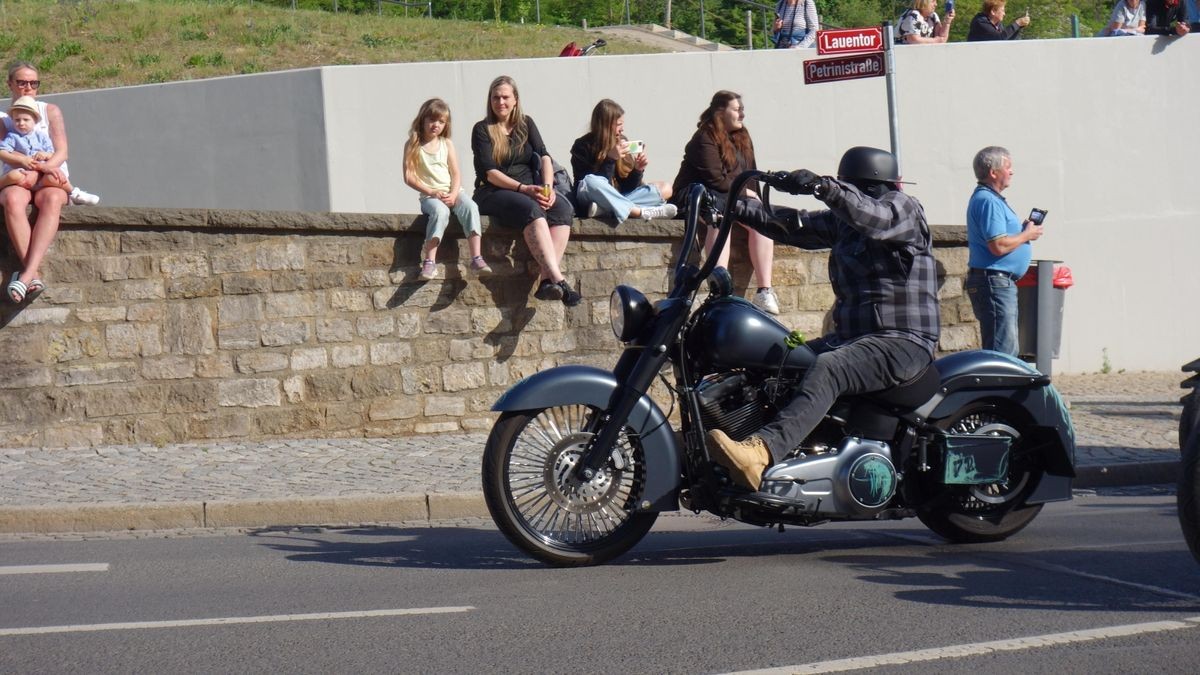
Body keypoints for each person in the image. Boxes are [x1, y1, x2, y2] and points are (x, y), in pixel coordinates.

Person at [705, 147, 941, 490]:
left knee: (830, 367)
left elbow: (874, 217)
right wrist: (726, 203)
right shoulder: (845, 222)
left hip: (902, 341)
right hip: (854, 338)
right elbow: (791, 225)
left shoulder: (903, 208)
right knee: (780, 361)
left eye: (850, 187)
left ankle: (761, 452)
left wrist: (824, 187)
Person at [471, 75, 580, 307]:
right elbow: (490, 173)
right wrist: (524, 189)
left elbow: (544, 156)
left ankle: (546, 280)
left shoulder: (526, 124)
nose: (500, 102)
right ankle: (559, 279)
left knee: (562, 208)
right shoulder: (482, 129)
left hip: (529, 188)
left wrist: (548, 188)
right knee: (532, 209)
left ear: (516, 100)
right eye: (495, 97)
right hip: (493, 191)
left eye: (505, 97)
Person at [670, 91, 779, 315]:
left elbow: (751, 175)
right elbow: (714, 179)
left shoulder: (742, 137)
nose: (742, 114)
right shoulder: (703, 138)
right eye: (737, 109)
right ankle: (719, 287)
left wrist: (754, 197)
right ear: (721, 112)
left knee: (761, 220)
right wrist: (745, 192)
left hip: (730, 196)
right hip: (698, 194)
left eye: (742, 109)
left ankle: (764, 291)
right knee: (719, 218)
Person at [964, 146, 1043, 356]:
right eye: (1008, 167)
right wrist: (1027, 235)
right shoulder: (988, 201)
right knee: (1002, 351)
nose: (1012, 171)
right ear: (993, 172)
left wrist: (1022, 231)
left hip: (997, 282)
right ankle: (997, 389)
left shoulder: (990, 199)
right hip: (994, 282)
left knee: (1004, 348)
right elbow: (997, 246)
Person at [403, 98, 491, 282]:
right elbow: (409, 177)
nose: (436, 125)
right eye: (432, 120)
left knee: (471, 207)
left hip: (453, 191)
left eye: (441, 122)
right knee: (440, 212)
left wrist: (453, 193)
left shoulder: (446, 144)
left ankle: (476, 257)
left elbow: (456, 173)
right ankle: (430, 261)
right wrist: (431, 191)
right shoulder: (413, 143)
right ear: (423, 119)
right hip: (430, 196)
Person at [0, 62, 99, 205]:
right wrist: (25, 163)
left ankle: (75, 193)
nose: (28, 88)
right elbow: (4, 151)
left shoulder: (50, 111)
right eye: (22, 83)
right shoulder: (2, 119)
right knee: (13, 199)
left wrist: (38, 172)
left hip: (49, 175)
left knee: (52, 199)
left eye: (34, 83)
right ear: (10, 84)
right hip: (19, 177)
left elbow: (61, 152)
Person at [569, 99, 676, 226]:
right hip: (589, 196)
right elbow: (594, 185)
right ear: (606, 124)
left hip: (614, 198)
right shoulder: (582, 146)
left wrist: (637, 170)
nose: (622, 129)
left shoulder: (622, 142)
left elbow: (628, 187)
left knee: (665, 188)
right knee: (590, 181)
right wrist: (610, 160)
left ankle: (605, 210)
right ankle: (639, 212)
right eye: (619, 124)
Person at [1, 97, 88, 203]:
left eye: (26, 120)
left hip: (42, 176)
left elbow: (53, 154)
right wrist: (21, 160)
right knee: (13, 175)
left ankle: (74, 192)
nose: (21, 123)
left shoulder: (41, 137)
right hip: (23, 173)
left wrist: (45, 155)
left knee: (55, 177)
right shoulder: (12, 136)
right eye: (17, 120)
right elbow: (3, 152)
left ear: (35, 121)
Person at [967, 0, 1031, 40]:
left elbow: (1007, 39)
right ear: (993, 11)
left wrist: (1019, 26)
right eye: (1002, 11)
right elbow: (999, 38)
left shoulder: (997, 23)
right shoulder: (980, 22)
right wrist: (1017, 23)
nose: (1004, 14)